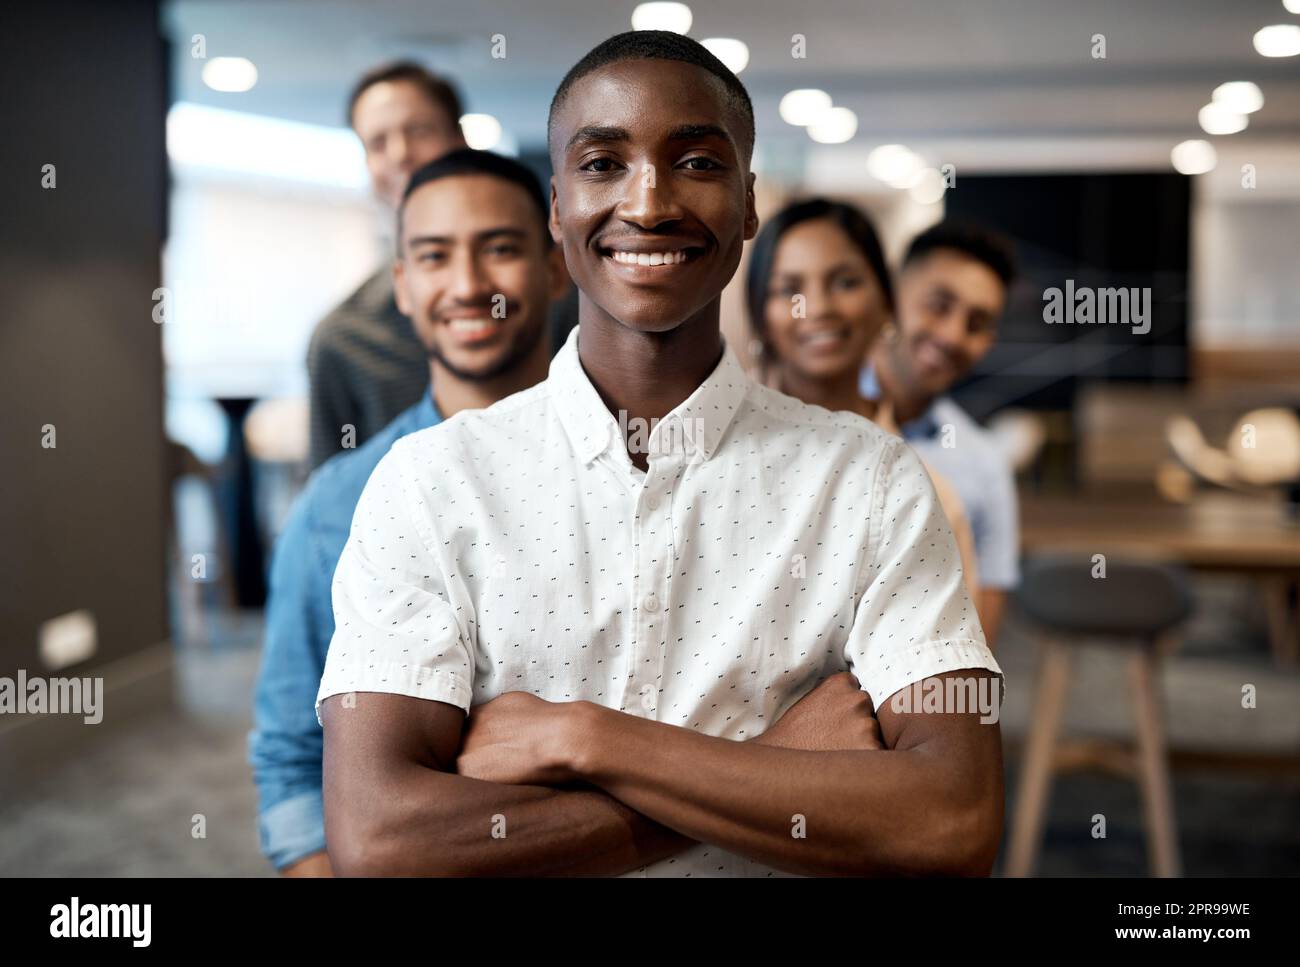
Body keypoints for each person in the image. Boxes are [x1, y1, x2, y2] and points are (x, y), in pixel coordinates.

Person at [317, 30, 1004, 877]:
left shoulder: (873, 482)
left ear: (749, 205)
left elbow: (954, 817)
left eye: (698, 163)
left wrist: (584, 737)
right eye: (603, 163)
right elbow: (381, 843)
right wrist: (781, 762)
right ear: (556, 212)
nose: (648, 202)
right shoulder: (430, 483)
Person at [249, 149, 570, 876]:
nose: (467, 285)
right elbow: (291, 758)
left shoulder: (627, 464)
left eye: (501, 249)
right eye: (433, 256)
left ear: (555, 269)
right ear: (402, 284)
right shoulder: (338, 502)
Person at [744, 197, 982, 608]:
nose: (818, 308)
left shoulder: (928, 499)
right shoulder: (710, 458)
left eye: (846, 282)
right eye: (789, 289)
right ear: (761, 315)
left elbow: (951, 661)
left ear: (887, 302)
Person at [863, 222, 1020, 644]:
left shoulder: (982, 465)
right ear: (891, 294)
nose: (952, 335)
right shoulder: (811, 412)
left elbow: (979, 645)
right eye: (938, 305)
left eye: (976, 323)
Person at [306, 62, 467, 470]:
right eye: (377, 143)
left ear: (459, 139)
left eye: (419, 131)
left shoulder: (552, 299)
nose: (400, 154)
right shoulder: (343, 339)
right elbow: (329, 503)